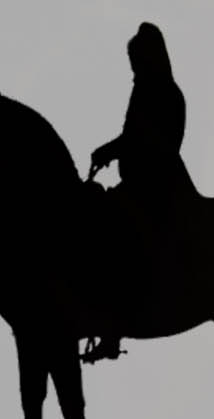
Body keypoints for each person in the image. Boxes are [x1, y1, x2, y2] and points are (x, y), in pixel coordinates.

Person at [80, 21, 192, 361]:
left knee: (112, 236)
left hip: (157, 186)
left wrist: (111, 150)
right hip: (141, 183)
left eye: (136, 63)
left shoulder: (161, 93)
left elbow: (145, 139)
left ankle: (112, 327)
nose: (132, 71)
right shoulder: (149, 90)